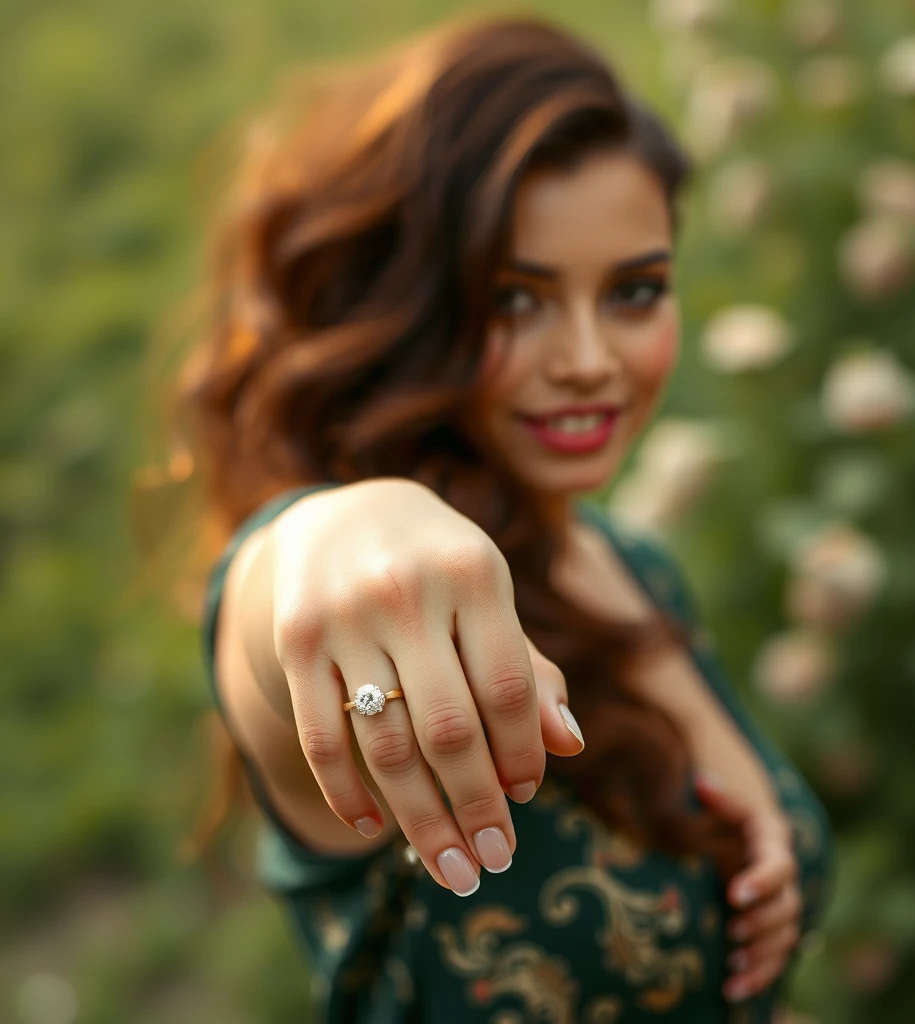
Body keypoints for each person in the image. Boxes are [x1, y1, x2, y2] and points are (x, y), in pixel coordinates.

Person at [177, 14, 833, 1023]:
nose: (586, 358)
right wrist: (347, 530)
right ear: (417, 306)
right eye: (515, 300)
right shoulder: (376, 611)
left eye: (635, 290)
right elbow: (296, 587)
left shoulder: (627, 556)